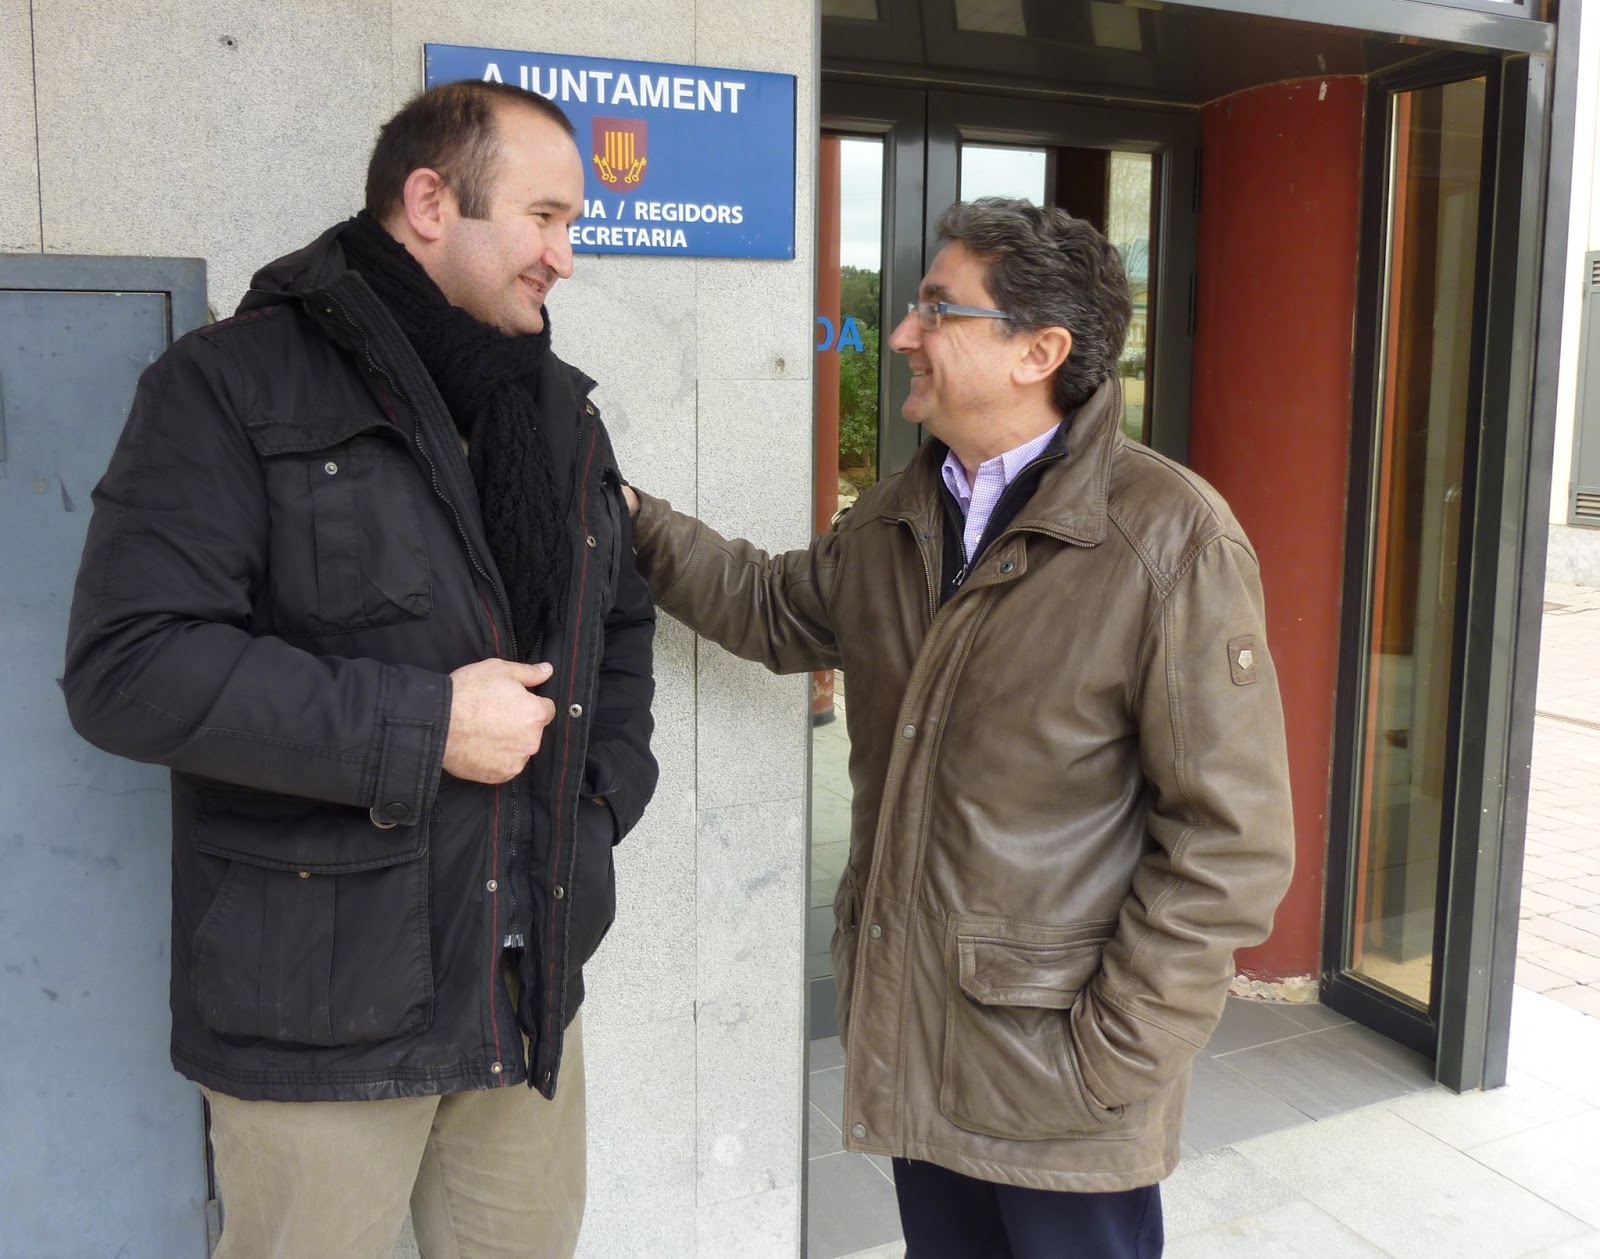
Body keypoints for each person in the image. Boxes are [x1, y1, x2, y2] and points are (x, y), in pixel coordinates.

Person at [621, 199, 1295, 1258]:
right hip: (918, 1047)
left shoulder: (1169, 540)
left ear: (1038, 351)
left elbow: (1230, 842)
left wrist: (1112, 1060)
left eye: (938, 309)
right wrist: (626, 515)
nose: (902, 333)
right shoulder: (896, 516)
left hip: (1065, 1086)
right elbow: (769, 604)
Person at [63, 80, 657, 1259]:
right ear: (430, 202)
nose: (565, 256)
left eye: (572, 224)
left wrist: (595, 804)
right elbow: (128, 665)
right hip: (319, 1004)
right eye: (544, 218)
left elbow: (618, 627)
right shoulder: (228, 383)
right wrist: (426, 724)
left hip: (524, 982)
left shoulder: (557, 411)